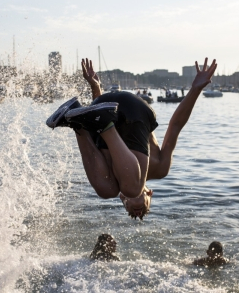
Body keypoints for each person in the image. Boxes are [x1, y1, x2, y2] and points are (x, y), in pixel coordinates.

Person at [46, 57, 217, 219]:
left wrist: (95, 87)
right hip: (135, 109)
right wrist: (195, 89)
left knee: (106, 191)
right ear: (150, 194)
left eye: (129, 210)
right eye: (145, 210)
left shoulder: (112, 182)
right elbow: (175, 126)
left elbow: (96, 116)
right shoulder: (161, 168)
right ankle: (103, 125)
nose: (138, 213)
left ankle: (76, 124)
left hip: (104, 104)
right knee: (132, 188)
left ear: (122, 200)